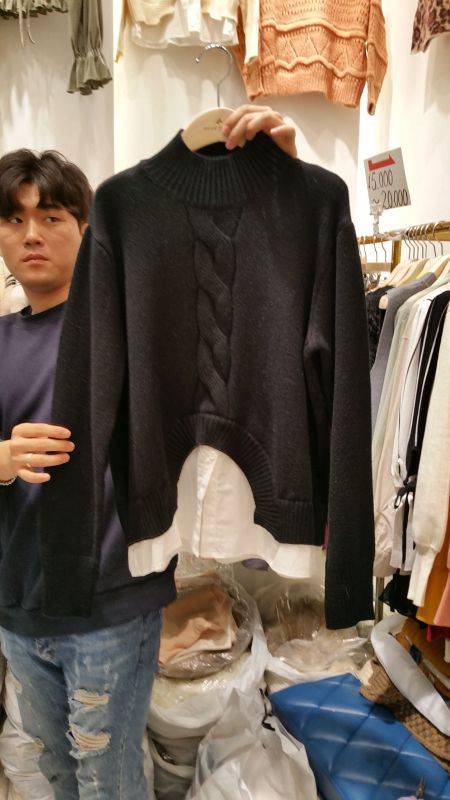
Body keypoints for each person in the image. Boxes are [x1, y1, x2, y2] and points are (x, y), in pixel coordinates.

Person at [0, 106, 297, 800]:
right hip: (18, 605)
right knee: (53, 770)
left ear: (86, 228)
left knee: (107, 780)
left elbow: (243, 292)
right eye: (13, 219)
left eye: (51, 216)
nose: (31, 234)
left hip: (110, 604)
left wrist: (277, 186)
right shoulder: (3, 341)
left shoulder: (137, 325)